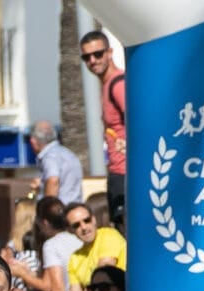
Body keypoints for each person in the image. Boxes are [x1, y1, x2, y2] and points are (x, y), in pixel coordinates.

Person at [80, 30, 126, 230]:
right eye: (86, 57)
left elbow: (138, 120)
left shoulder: (118, 84)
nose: (93, 60)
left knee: (128, 232)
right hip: (117, 171)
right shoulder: (106, 85)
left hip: (126, 173)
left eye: (98, 54)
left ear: (110, 52)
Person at [64, 202, 126, 291]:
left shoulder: (108, 235)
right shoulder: (74, 258)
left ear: (93, 219)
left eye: (87, 220)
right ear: (70, 230)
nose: (83, 227)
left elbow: (103, 276)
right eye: (76, 225)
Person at [29, 120, 84, 206]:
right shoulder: (68, 153)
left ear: (33, 141)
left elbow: (53, 181)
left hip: (59, 213)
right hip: (75, 208)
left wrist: (47, 209)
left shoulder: (50, 157)